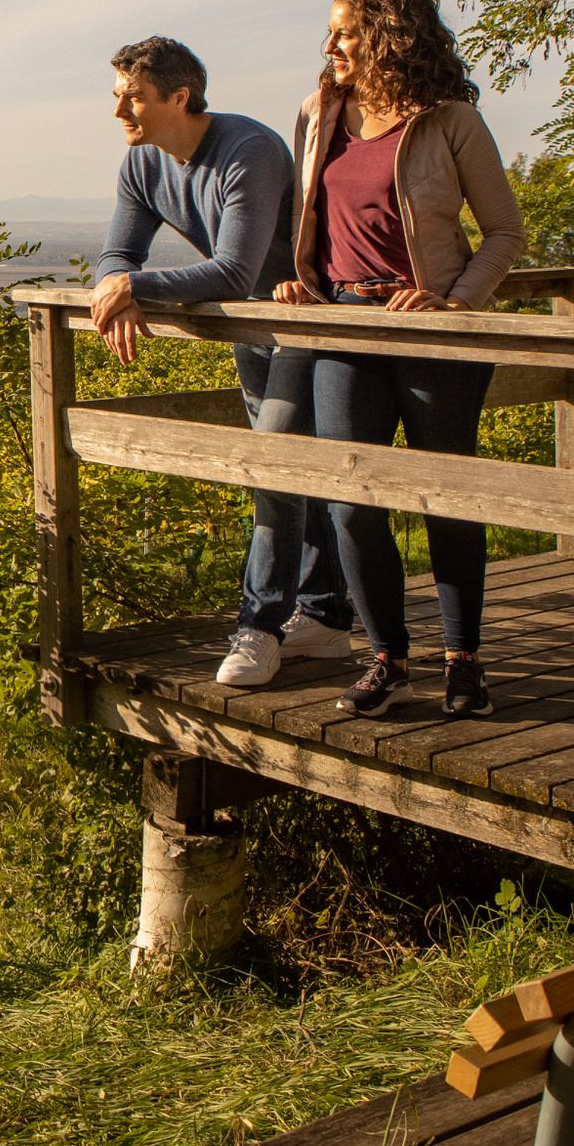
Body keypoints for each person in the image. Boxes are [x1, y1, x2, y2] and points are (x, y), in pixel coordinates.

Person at [273, 0, 526, 720]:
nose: (331, 45)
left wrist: (454, 301)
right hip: (344, 323)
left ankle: (464, 661)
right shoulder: (318, 113)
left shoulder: (450, 118)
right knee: (351, 501)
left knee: (447, 497)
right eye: (331, 32)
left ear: (387, 32)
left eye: (345, 32)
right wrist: (302, 282)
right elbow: (316, 221)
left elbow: (505, 231)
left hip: (431, 331)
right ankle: (387, 657)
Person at [91, 35, 351, 688]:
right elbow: (118, 253)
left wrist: (136, 288)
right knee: (290, 467)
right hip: (251, 330)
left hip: (301, 315)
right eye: (117, 95)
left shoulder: (249, 151)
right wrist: (115, 283)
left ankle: (260, 627)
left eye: (134, 97)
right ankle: (324, 613)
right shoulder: (143, 164)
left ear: (179, 97)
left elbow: (234, 271)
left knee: (273, 464)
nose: (120, 110)